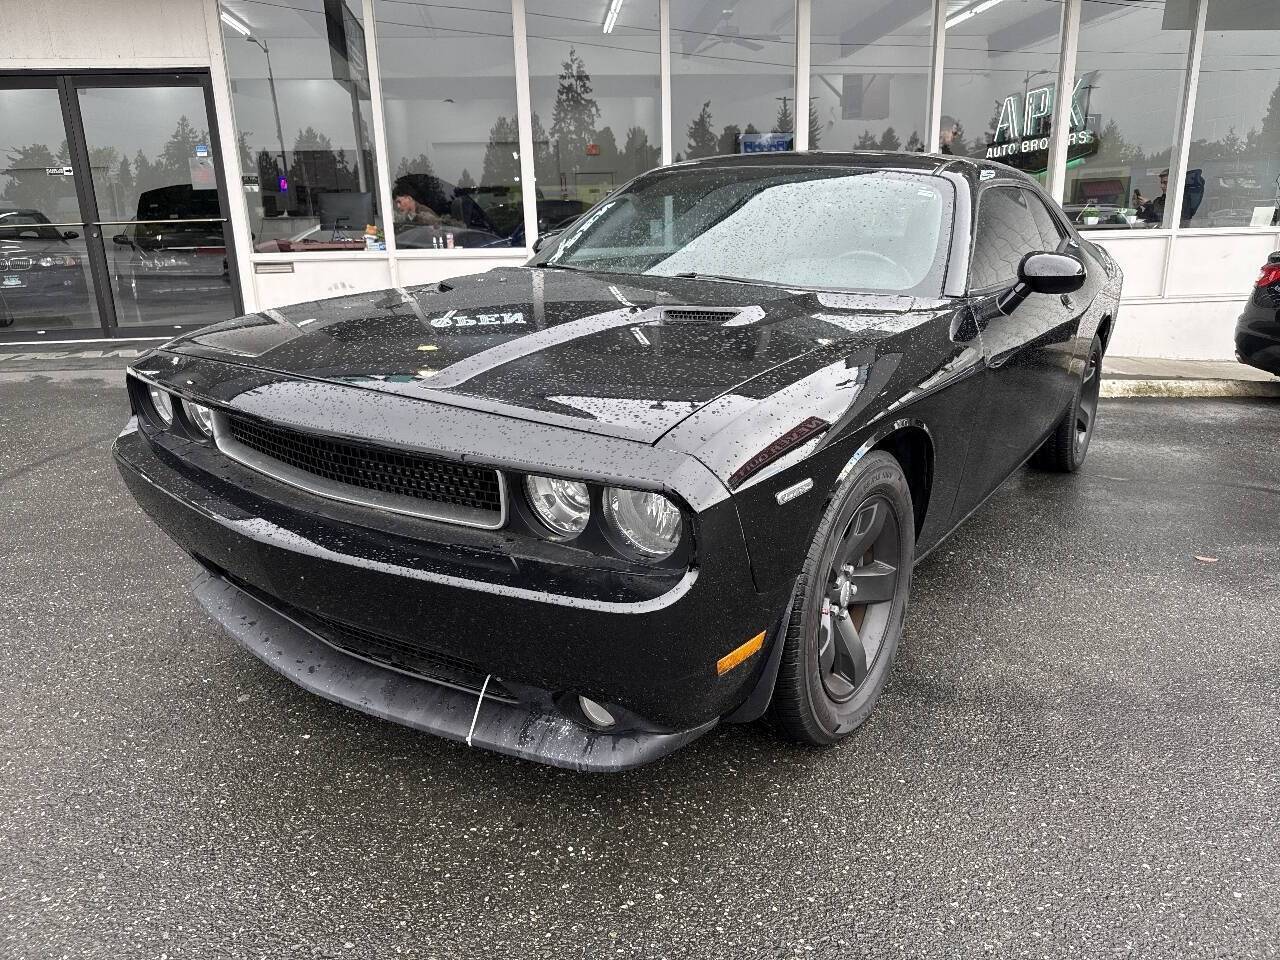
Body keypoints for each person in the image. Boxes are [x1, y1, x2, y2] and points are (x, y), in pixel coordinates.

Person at [1135, 168, 1205, 226]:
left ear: (1175, 183)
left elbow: (1166, 218)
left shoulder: (1182, 200)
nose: (1161, 186)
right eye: (1161, 183)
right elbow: (1145, 218)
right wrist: (1137, 207)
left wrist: (1148, 204)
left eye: (1165, 183)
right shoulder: (1158, 201)